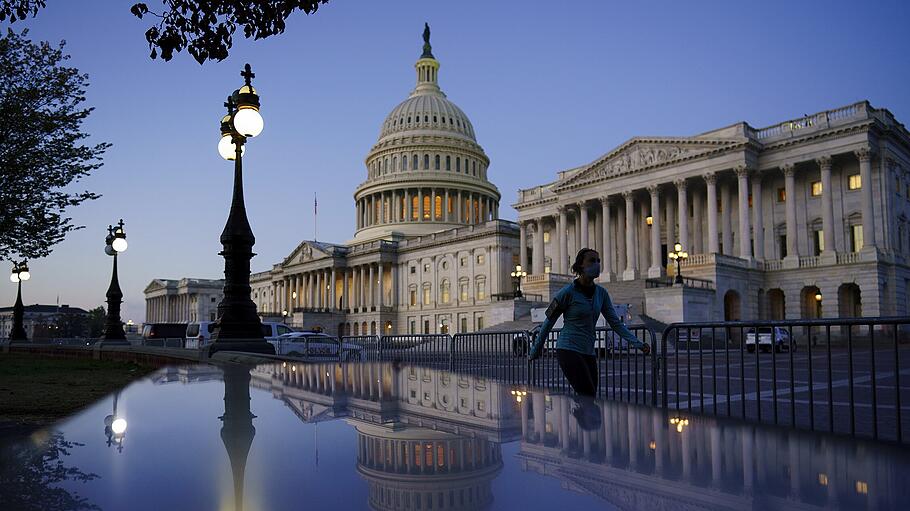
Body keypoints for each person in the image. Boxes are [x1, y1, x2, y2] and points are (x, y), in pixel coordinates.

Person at [528, 248, 650, 397]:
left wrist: (638, 343)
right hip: (568, 349)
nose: (597, 264)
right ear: (580, 266)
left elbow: (616, 323)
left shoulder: (602, 293)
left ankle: (579, 415)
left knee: (590, 395)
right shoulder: (567, 293)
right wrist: (535, 350)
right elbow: (548, 322)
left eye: (598, 261)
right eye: (592, 260)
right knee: (587, 392)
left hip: (588, 351)